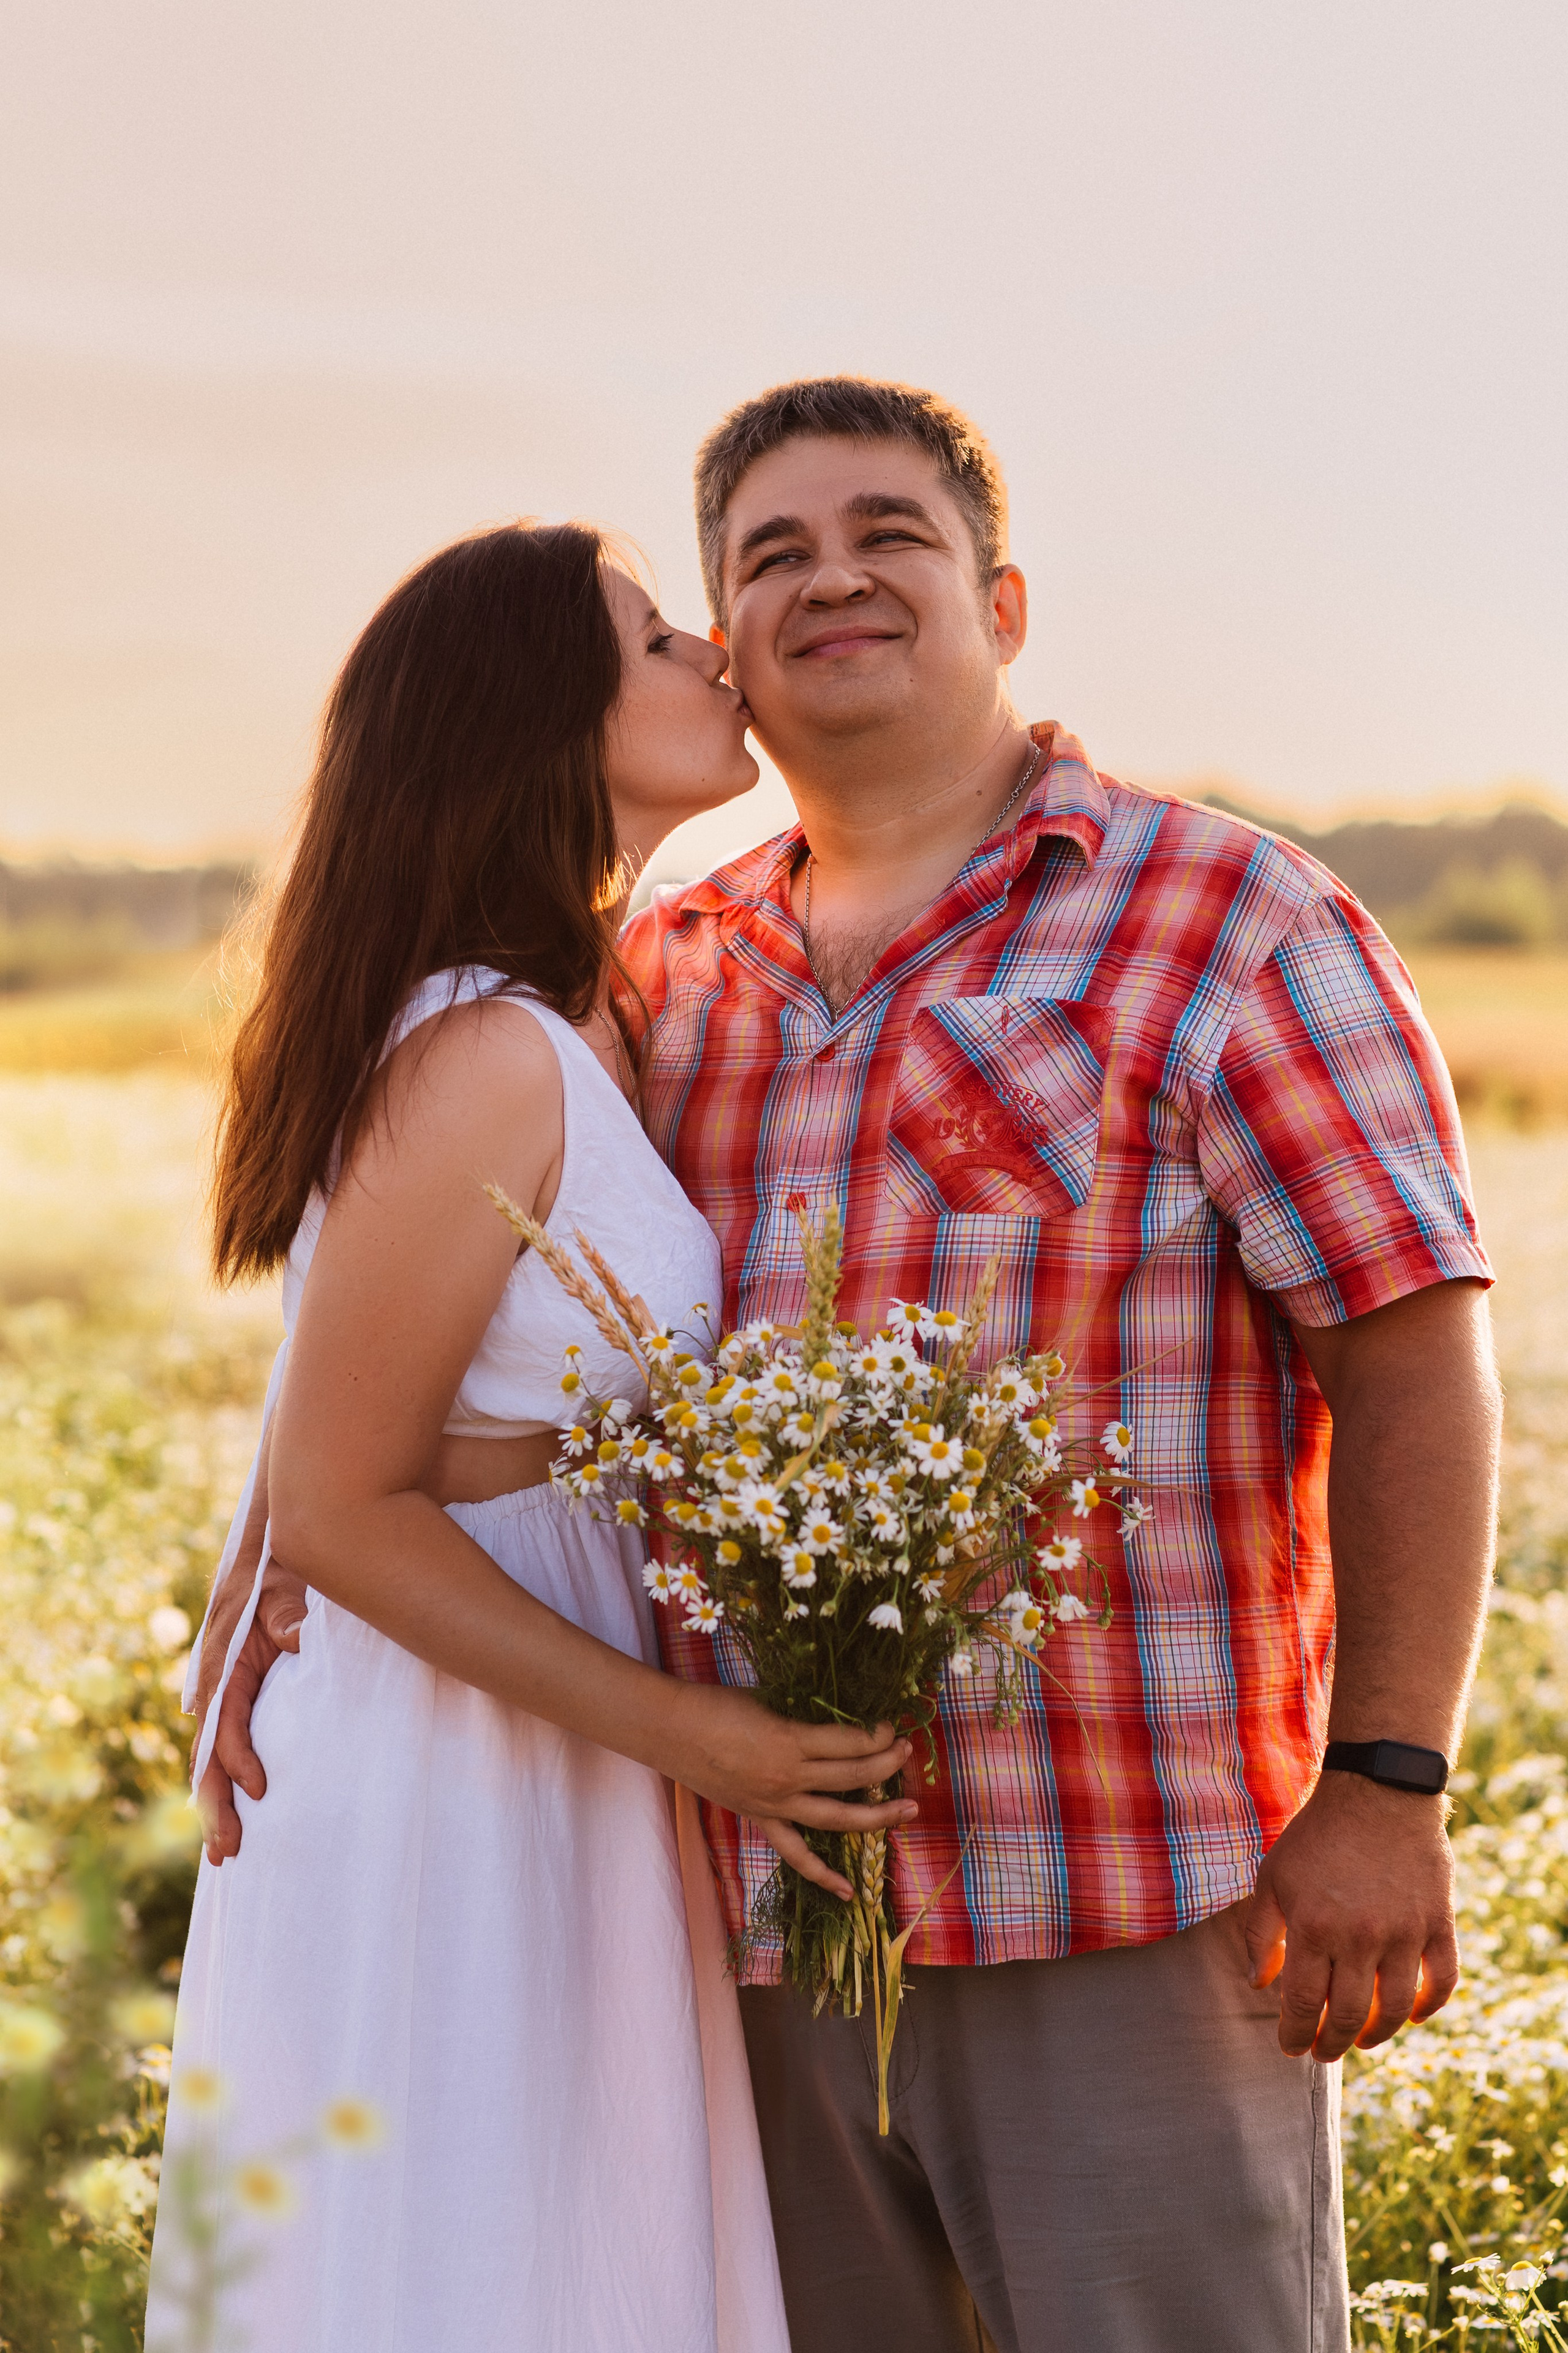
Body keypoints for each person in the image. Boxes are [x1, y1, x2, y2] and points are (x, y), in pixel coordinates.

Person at [206, 383, 1501, 2353]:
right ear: (727, 639)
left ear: (1004, 593)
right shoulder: (655, 981)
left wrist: (1392, 1779)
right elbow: (443, 1334)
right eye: (766, 558)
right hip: (744, 1927)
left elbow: (1413, 1351)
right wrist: (283, 1529)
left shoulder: (1225, 917)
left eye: (886, 532)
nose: (829, 580)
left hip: (1126, 1892)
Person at [151, 521, 918, 2353]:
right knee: (486, 2250)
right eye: (661, 637)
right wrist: (704, 1737)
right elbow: (353, 1493)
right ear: (545, 716)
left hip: (553, 1688)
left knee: (583, 2238)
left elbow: (357, 1380)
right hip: (463, 1732)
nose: (718, 651)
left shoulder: (598, 997)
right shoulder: (481, 1047)